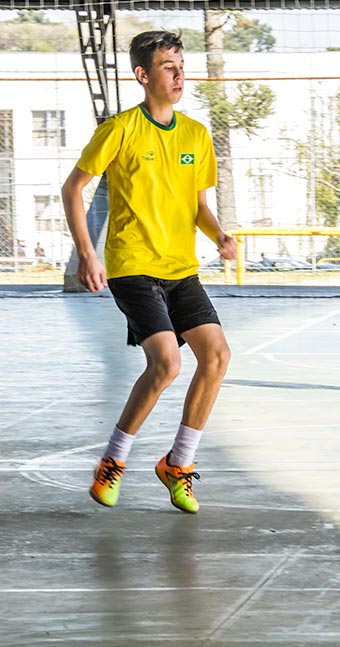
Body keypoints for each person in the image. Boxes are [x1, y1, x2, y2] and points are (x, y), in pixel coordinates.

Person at [61, 30, 236, 514]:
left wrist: (219, 235)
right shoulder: (119, 129)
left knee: (217, 356)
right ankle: (113, 462)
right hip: (132, 265)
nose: (179, 74)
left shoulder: (196, 136)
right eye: (168, 66)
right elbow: (73, 189)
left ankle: (177, 464)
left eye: (181, 64)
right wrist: (87, 253)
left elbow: (198, 205)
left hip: (181, 269)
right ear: (143, 75)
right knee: (166, 363)